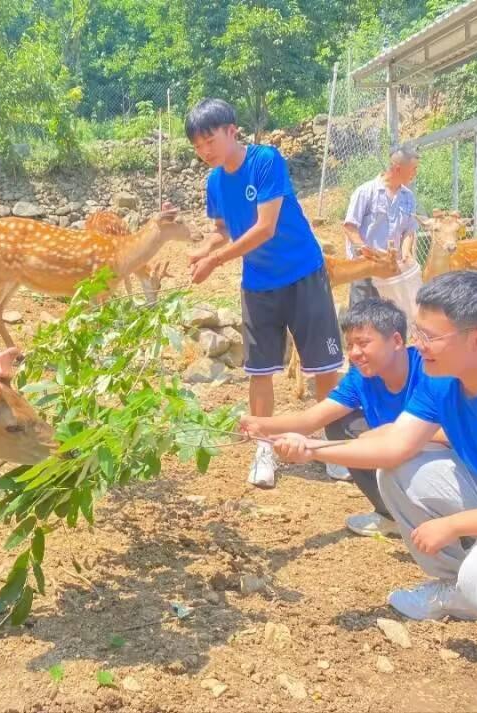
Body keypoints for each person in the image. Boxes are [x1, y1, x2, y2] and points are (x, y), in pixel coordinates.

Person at [271, 270, 477, 682]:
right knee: (398, 471)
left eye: (430, 336)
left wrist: (455, 524)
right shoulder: (442, 378)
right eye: (418, 331)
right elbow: (395, 445)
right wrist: (313, 449)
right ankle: (458, 590)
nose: (418, 345)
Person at [184, 98, 344, 490]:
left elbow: (265, 227)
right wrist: (204, 250)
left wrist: (216, 261)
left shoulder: (265, 160)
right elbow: (222, 229)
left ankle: (330, 444)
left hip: (302, 272)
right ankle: (264, 448)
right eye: (197, 146)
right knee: (260, 370)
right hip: (258, 283)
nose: (205, 151)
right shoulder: (215, 182)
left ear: (231, 130)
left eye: (209, 140)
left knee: (323, 366)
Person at [240, 297, 441, 537]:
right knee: (338, 423)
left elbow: (456, 430)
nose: (355, 353)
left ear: (397, 341)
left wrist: (393, 431)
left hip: (436, 457)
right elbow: (310, 420)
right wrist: (257, 424)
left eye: (363, 343)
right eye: (350, 345)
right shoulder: (361, 378)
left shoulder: (430, 369)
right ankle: (390, 514)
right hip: (392, 450)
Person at [343, 148, 420, 307]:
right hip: (365, 270)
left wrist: (405, 253)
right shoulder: (365, 192)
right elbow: (350, 227)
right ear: (398, 168)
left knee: (389, 319)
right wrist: (366, 252)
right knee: (361, 317)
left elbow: (409, 230)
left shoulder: (408, 197)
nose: (415, 173)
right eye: (413, 169)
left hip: (391, 271)